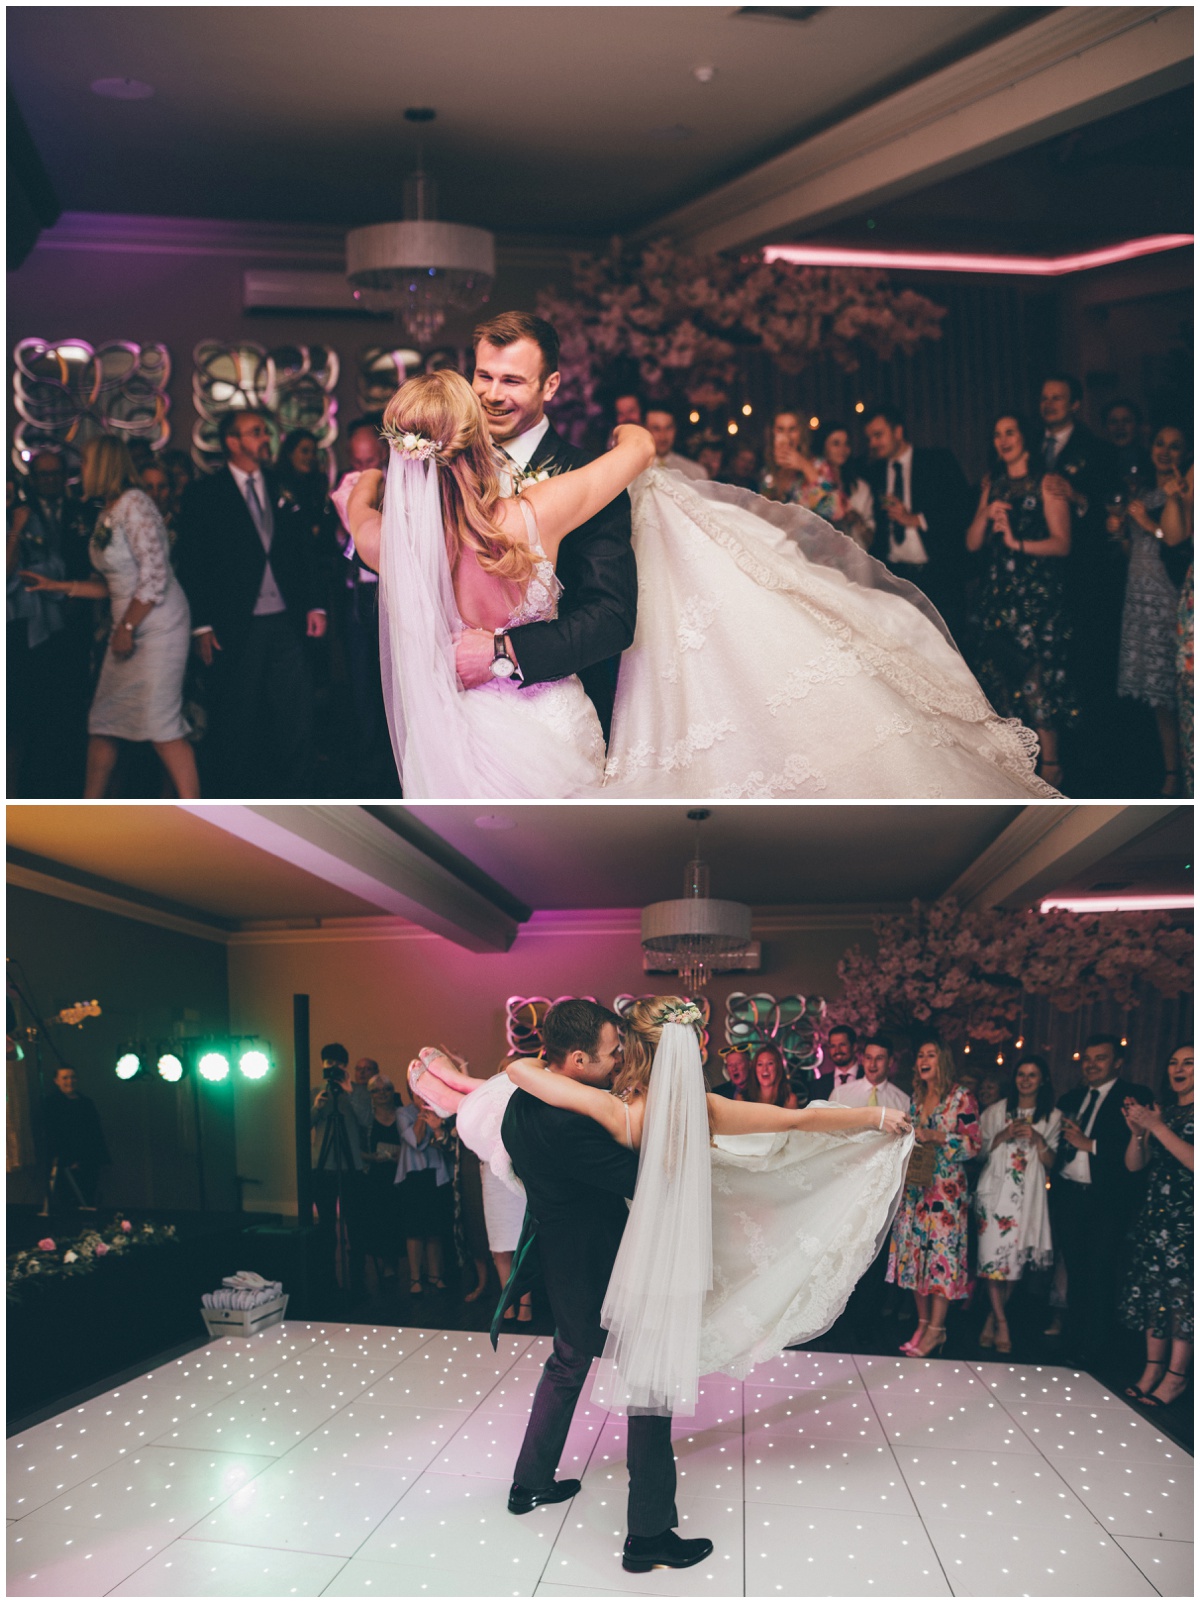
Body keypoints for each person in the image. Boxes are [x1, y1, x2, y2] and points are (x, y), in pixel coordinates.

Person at [344, 349, 1058, 800]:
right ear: (472, 435)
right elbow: (634, 452)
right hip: (544, 728)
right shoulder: (533, 512)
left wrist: (372, 485)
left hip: (453, 736)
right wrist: (628, 434)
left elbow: (354, 507)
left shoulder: (395, 546)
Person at [495, 996, 911, 1574]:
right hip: (626, 1263)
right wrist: (873, 1119)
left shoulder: (531, 1099)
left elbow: (519, 1073)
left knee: (569, 1362)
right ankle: (647, 1536)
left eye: (620, 1050)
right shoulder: (641, 1116)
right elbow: (792, 1122)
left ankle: (529, 1484)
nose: (615, 1060)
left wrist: (519, 1067)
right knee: (651, 1391)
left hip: (565, 1264)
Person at [459, 313, 638, 743]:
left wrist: (502, 654)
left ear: (551, 385)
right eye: (484, 376)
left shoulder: (589, 477)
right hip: (453, 712)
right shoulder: (449, 464)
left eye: (513, 381)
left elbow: (612, 616)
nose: (492, 394)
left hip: (544, 717)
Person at [22, 436, 198, 798]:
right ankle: (90, 805)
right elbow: (112, 585)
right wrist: (55, 585)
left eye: (85, 464)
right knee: (103, 723)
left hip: (158, 628)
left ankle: (197, 809)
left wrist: (128, 627)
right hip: (128, 628)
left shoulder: (136, 504)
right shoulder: (108, 511)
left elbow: (154, 576)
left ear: (102, 464)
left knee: (163, 729)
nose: (80, 472)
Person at [173, 407, 326, 796]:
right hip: (234, 622)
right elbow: (192, 561)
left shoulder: (282, 485)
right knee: (237, 715)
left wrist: (315, 604)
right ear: (232, 442)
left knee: (296, 712)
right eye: (256, 432)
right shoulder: (204, 493)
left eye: (265, 431)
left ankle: (298, 791)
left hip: (287, 619)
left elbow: (303, 551)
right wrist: (202, 625)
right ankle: (237, 793)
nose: (265, 439)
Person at [966, 412, 1075, 789]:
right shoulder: (992, 483)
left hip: (1036, 599)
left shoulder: (1047, 483)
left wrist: (1017, 543)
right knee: (1000, 680)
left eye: (1010, 432)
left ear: (1024, 437)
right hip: (998, 599)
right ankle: (1017, 767)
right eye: (997, 434)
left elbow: (1062, 543)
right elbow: (972, 543)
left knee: (1037, 681)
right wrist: (985, 512)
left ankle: (1052, 766)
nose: (1003, 440)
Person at [1051, 1033, 1146, 1368]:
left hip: (1107, 1201)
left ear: (1117, 1062)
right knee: (1075, 1272)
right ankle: (1072, 1341)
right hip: (1069, 1196)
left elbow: (1136, 1154)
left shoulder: (1133, 1098)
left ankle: (1098, 1348)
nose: (1091, 1064)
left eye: (1100, 1058)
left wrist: (1088, 1143)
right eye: (1087, 1058)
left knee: (1101, 1272)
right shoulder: (1072, 1097)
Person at [889, 1036, 981, 1357]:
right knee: (916, 1258)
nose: (923, 1059)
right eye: (920, 1055)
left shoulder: (961, 1098)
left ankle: (937, 1330)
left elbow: (974, 1146)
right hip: (916, 1187)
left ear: (942, 1060)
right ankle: (922, 1323)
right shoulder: (916, 1098)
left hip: (946, 1192)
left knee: (940, 1260)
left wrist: (937, 1136)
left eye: (930, 1054)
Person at [7, 452, 93, 796]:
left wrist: (74, 592)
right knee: (31, 709)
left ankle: (68, 781)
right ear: (33, 479)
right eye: (42, 476)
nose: (50, 481)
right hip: (30, 622)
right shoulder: (20, 516)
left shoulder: (83, 512)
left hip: (77, 613)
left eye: (55, 474)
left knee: (73, 703)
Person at [1114, 424, 1190, 793]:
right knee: (1152, 693)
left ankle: (1180, 773)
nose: (1165, 451)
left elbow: (1177, 542)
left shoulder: (1184, 491)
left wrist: (1149, 522)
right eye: (1160, 444)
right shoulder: (1143, 491)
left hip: (1168, 598)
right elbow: (1135, 549)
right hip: (1138, 600)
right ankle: (1165, 770)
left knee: (1174, 691)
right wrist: (1121, 530)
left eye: (1175, 447)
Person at [1119, 1043, 1193, 1409]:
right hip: (1158, 1215)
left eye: (1189, 1063)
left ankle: (1177, 1378)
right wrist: (1137, 1132)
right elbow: (1135, 1165)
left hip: (1188, 1220)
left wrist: (1157, 1126)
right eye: (1174, 1062)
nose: (1178, 1068)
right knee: (1155, 1294)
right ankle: (1151, 1370)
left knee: (1183, 1299)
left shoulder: (1170, 1118)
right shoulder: (1168, 1113)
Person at [974, 1054, 1061, 1353]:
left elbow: (1052, 1162)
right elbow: (979, 1152)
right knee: (992, 1263)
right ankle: (1003, 1323)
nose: (1025, 1080)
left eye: (1032, 1075)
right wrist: (1002, 1134)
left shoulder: (1053, 1116)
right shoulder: (997, 1111)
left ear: (1042, 1080)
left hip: (1027, 1198)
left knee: (1011, 1266)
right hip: (995, 1199)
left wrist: (1037, 1138)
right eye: (1021, 1074)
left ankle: (991, 1318)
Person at [864, 404, 971, 638]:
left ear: (898, 431)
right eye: (870, 437)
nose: (873, 443)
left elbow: (963, 508)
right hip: (896, 577)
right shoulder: (874, 473)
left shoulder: (937, 461)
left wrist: (916, 519)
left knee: (947, 650)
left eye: (878, 435)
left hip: (937, 576)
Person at [310, 1048, 367, 1297]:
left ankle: (358, 1283)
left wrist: (351, 1094)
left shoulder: (358, 1091)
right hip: (323, 1168)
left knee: (355, 1225)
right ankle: (326, 1280)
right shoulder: (316, 1092)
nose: (333, 1068)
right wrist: (315, 1107)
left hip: (350, 1166)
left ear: (345, 1066)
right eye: (328, 1063)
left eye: (338, 1064)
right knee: (325, 1227)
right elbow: (304, 1125)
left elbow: (367, 1121)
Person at [395, 1091, 454, 1294]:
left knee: (435, 1228)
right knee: (415, 1229)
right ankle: (415, 1278)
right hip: (413, 1175)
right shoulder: (403, 1113)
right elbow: (415, 1140)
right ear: (411, 1093)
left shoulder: (440, 1111)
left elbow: (448, 1143)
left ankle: (435, 1275)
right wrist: (421, 1113)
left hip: (437, 1174)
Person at [38, 1065, 110, 1212]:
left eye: (72, 1077)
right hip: (65, 1161)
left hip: (89, 1159)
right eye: (65, 1078)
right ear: (56, 1080)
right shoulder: (51, 1103)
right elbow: (53, 1133)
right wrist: (68, 1159)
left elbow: (94, 1132)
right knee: (68, 1200)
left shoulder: (86, 1102)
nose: (69, 1081)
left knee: (88, 1197)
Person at [359, 1073, 406, 1287]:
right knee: (382, 1219)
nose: (382, 1094)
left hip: (401, 1174)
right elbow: (356, 1149)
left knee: (401, 1217)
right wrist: (373, 1157)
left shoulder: (403, 1115)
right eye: (376, 1091)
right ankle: (387, 1264)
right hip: (377, 1176)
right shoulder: (366, 1120)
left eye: (386, 1089)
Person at [814, 421, 875, 551]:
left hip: (854, 561)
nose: (843, 450)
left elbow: (871, 540)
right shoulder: (813, 484)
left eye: (846, 444)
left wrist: (858, 521)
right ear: (824, 447)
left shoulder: (859, 487)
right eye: (836, 444)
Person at [830, 1034, 908, 1112]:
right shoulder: (839, 1094)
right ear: (863, 1059)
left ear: (890, 1062)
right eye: (868, 1058)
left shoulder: (903, 1101)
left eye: (879, 1058)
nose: (872, 1064)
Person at [758, 409, 811, 504]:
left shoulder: (817, 465)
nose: (787, 436)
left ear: (801, 433)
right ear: (773, 433)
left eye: (792, 429)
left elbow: (836, 511)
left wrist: (805, 466)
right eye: (780, 430)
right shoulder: (767, 471)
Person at [1101, 398, 1153, 492]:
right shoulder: (1097, 461)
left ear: (1137, 425)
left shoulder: (1151, 460)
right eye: (1114, 422)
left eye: (1126, 421)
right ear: (1105, 427)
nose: (1120, 427)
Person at [644, 406, 705, 480]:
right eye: (656, 429)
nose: (663, 436)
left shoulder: (696, 472)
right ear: (645, 430)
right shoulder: (633, 471)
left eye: (668, 428)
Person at [810, 1023, 861, 1100]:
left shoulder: (869, 1079)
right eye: (833, 1046)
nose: (837, 1050)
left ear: (854, 1047)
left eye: (842, 1045)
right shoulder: (818, 1085)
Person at [749, 1044, 798, 1108]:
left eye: (770, 1063)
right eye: (760, 1064)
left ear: (778, 1067)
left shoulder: (790, 1100)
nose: (765, 1069)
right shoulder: (742, 1099)